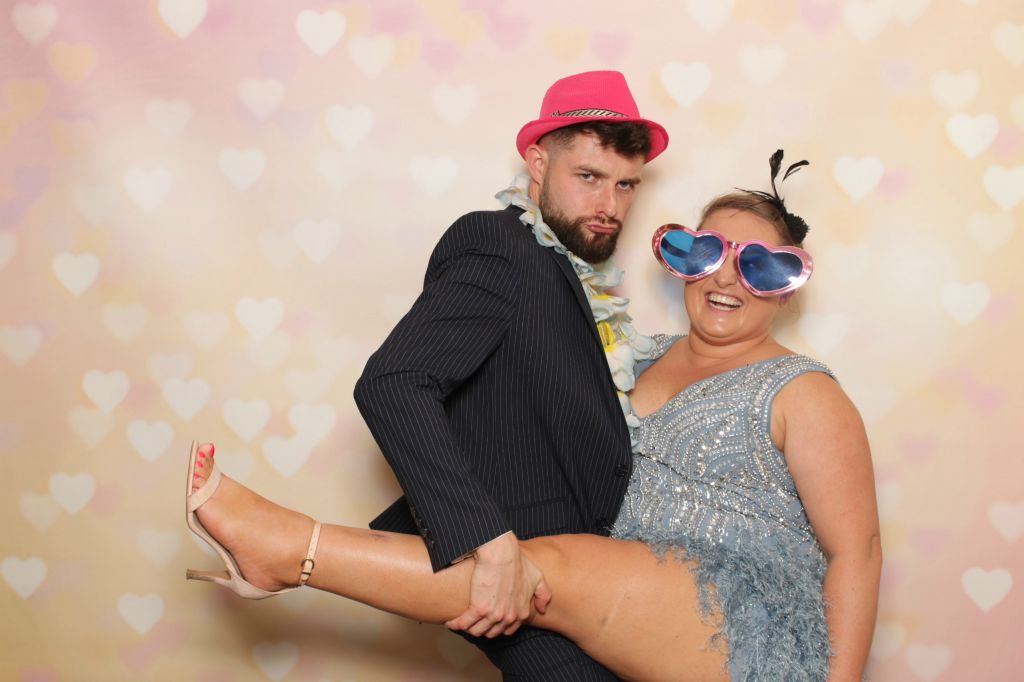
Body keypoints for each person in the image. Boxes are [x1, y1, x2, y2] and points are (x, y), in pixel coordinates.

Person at [185, 151, 881, 680]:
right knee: (527, 562)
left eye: (758, 267)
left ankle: (289, 550)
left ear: (786, 288)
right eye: (707, 253)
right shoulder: (635, 357)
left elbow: (858, 552)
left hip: (741, 618)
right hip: (619, 597)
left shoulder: (801, 391)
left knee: (539, 569)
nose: (726, 278)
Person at [350, 69, 668, 678]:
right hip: (518, 567)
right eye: (589, 177)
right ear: (538, 164)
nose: (609, 206)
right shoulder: (501, 246)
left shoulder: (572, 275)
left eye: (626, 184)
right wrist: (487, 540)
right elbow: (393, 383)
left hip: (587, 578)